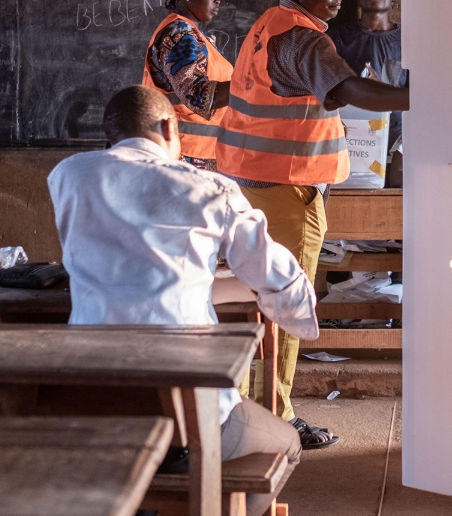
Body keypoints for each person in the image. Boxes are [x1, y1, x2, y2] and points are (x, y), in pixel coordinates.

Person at [48, 86, 315, 516]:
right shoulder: (211, 189)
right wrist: (298, 312)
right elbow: (279, 280)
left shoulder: (69, 176)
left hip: (97, 410)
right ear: (171, 127)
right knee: (287, 443)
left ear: (108, 139)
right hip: (187, 421)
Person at [216, 0, 409, 449]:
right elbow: (347, 88)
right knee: (285, 303)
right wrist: (425, 95)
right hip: (284, 190)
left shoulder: (268, 24)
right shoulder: (300, 36)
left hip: (249, 185)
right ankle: (275, 417)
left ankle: (234, 414)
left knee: (249, 302)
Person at [143, 0, 233, 171]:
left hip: (196, 155)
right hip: (184, 158)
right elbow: (199, 97)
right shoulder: (180, 33)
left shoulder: (188, 32)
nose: (217, 0)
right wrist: (251, 83)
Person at [327, 0, 408, 184]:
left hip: (395, 141)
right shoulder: (337, 36)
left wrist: (383, 90)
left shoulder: (410, 39)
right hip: (349, 138)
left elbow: (418, 93)